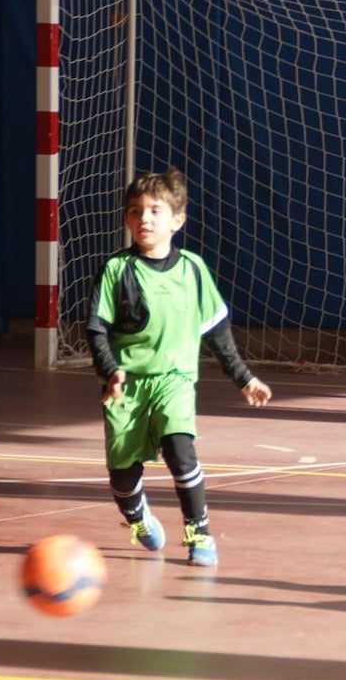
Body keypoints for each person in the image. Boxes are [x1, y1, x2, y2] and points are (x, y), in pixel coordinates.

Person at [86, 169, 272, 567]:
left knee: (180, 451)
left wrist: (243, 376)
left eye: (155, 210)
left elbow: (216, 331)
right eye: (135, 211)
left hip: (175, 380)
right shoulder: (116, 270)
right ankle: (137, 518)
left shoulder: (193, 270)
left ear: (177, 220)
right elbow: (96, 328)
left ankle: (198, 532)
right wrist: (110, 370)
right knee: (122, 476)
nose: (145, 219)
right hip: (127, 386)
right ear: (126, 219)